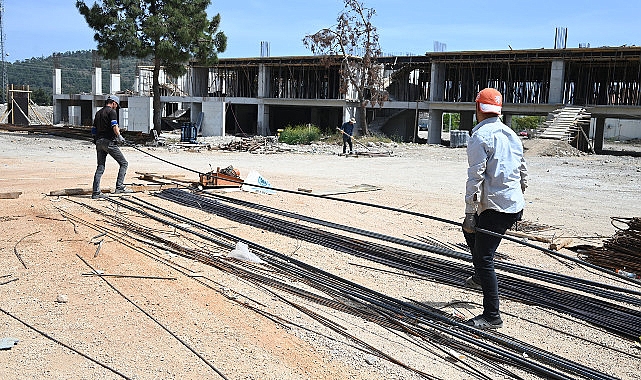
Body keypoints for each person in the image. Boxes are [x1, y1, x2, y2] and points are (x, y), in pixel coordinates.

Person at [462, 88, 528, 329]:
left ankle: (492, 315)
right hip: (512, 204)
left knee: (485, 256)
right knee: (469, 233)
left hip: (496, 208)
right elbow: (523, 170)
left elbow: (475, 177)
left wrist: (470, 211)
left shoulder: (480, 137)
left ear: (478, 108)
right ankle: (480, 275)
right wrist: (519, 195)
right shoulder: (512, 134)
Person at [91, 95, 130, 199]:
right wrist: (119, 137)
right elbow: (114, 126)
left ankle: (96, 192)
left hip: (99, 142)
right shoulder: (112, 112)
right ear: (113, 103)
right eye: (116, 105)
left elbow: (93, 129)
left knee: (100, 167)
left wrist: (96, 140)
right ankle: (119, 187)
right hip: (108, 142)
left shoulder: (98, 113)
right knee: (124, 163)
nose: (116, 107)